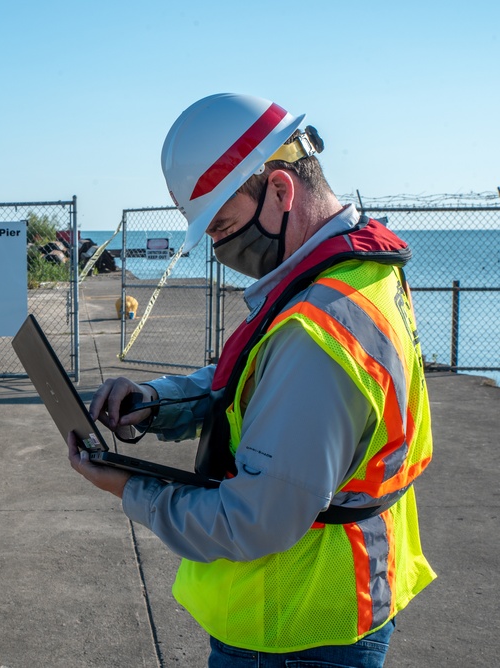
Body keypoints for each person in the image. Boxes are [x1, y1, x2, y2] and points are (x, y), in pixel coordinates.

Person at [67, 93, 435, 667]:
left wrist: (127, 487)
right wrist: (155, 401)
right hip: (317, 615)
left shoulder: (321, 329)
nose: (221, 249)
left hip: (296, 627)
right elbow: (252, 379)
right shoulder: (349, 273)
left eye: (226, 226)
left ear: (281, 191)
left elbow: (253, 518)